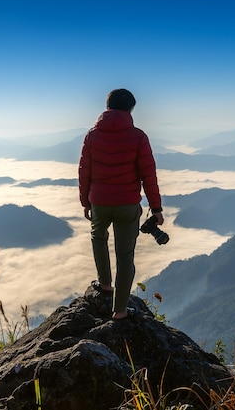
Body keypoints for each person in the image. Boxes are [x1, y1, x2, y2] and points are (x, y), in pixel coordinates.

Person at [78, 88, 164, 320]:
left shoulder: (92, 135)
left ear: (107, 107)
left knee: (98, 238)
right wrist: (156, 209)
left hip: (99, 202)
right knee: (125, 256)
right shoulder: (138, 137)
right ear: (131, 109)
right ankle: (121, 311)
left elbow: (85, 171)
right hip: (127, 205)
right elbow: (149, 176)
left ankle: (105, 285)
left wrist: (85, 201)